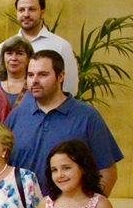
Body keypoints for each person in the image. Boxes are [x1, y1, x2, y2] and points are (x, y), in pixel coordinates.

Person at [7, 50, 123, 197]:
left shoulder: (87, 116)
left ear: (61, 76)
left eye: (43, 74)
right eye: (30, 75)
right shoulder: (16, 116)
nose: (34, 80)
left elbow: (107, 169)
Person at [0, 0, 79, 95]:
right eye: (21, 10)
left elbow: (70, 88)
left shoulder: (61, 46)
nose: (26, 14)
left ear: (42, 12)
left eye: (32, 9)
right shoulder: (5, 46)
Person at [0, 35, 33, 108]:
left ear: (29, 58)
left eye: (20, 53)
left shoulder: (34, 87)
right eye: (9, 53)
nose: (14, 58)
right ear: (3, 57)